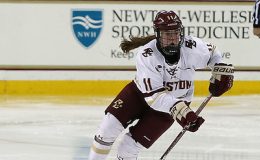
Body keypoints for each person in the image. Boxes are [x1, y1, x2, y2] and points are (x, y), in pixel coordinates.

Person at [88, 10, 234, 160]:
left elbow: (214, 53)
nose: (172, 39)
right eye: (167, 34)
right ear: (158, 34)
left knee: (128, 148)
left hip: (169, 108)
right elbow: (154, 97)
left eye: (175, 33)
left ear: (181, 33)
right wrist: (182, 111)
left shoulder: (193, 48)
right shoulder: (147, 55)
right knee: (107, 130)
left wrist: (220, 69)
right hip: (139, 95)